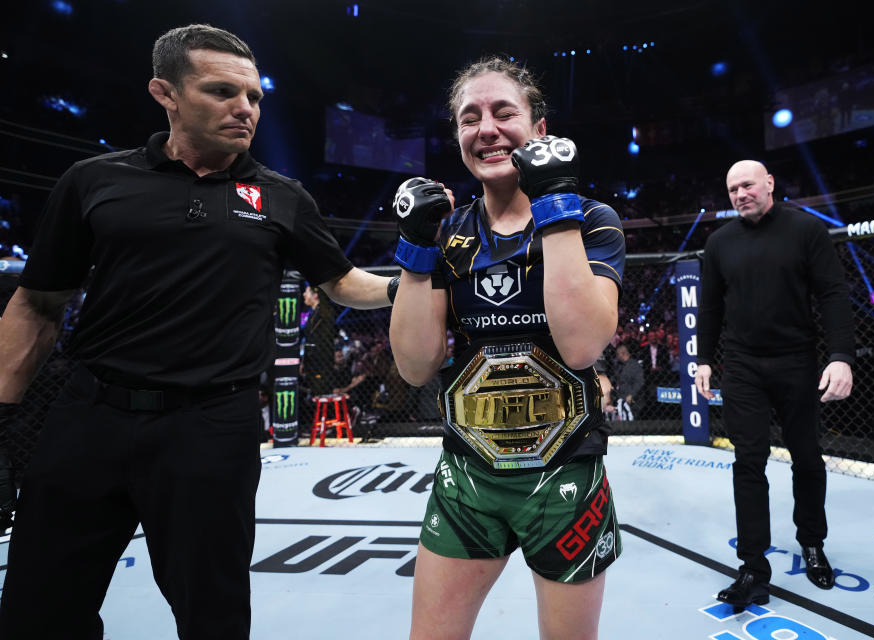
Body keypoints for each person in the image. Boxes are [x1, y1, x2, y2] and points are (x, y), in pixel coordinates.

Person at [0, 24, 394, 639]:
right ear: (166, 93)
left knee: (212, 616)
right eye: (221, 91)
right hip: (90, 416)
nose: (245, 108)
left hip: (210, 427)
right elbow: (37, 304)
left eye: (255, 96)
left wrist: (421, 277)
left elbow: (344, 283)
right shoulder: (94, 181)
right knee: (36, 608)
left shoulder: (280, 196)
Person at [389, 56, 626, 639]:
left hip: (566, 477)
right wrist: (417, 252)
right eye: (470, 118)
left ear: (540, 130)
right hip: (467, 478)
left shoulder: (593, 219)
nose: (486, 129)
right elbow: (416, 366)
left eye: (503, 112)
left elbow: (581, 346)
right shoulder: (447, 233)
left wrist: (555, 206)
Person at [695, 160, 855, 609]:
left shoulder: (806, 230)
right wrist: (703, 359)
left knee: (806, 457)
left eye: (747, 184)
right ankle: (752, 568)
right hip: (743, 365)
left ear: (769, 183)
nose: (740, 193)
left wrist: (841, 356)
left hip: (797, 362)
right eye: (731, 189)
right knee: (748, 461)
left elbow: (833, 294)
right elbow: (708, 308)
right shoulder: (719, 242)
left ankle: (812, 543)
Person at [611, 343, 644, 421]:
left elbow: (639, 382)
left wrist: (631, 394)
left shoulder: (634, 366)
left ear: (622, 354)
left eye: (617, 355)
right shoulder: (619, 366)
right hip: (621, 398)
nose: (617, 357)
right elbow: (615, 378)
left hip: (632, 400)